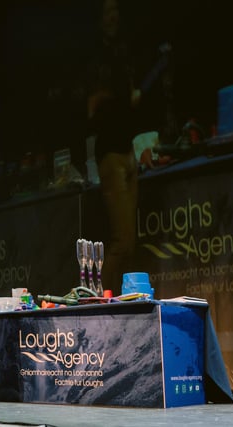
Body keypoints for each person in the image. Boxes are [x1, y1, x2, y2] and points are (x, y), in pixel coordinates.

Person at [84, 0, 144, 295]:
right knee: (122, 241)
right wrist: (117, 96)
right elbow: (91, 106)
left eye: (115, 11)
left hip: (128, 149)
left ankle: (123, 299)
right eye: (107, 12)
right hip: (110, 154)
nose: (113, 16)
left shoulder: (122, 51)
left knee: (130, 241)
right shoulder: (96, 56)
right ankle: (103, 302)